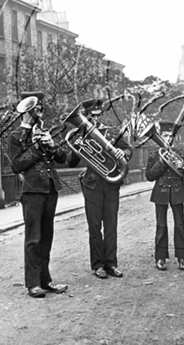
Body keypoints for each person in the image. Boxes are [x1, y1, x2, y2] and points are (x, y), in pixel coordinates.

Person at [9, 91, 68, 298]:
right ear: (27, 113)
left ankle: (46, 280)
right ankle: (33, 283)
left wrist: (51, 145)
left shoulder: (45, 132)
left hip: (50, 188)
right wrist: (35, 146)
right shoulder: (16, 136)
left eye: (41, 110)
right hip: (33, 191)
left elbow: (63, 159)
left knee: (47, 237)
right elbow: (16, 165)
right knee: (33, 238)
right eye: (37, 110)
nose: (41, 114)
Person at [67, 99, 132, 279]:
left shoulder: (112, 133)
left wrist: (122, 153)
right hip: (92, 184)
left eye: (98, 115)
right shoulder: (80, 135)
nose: (95, 119)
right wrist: (78, 145)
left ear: (102, 114)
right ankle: (98, 265)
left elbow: (128, 151)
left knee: (111, 225)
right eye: (91, 116)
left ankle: (111, 263)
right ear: (86, 116)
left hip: (111, 184)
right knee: (95, 227)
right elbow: (70, 162)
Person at [145, 121, 184, 271]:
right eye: (165, 135)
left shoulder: (180, 153)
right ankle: (160, 257)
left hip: (177, 191)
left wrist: (183, 166)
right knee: (161, 226)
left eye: (171, 136)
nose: (168, 138)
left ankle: (182, 257)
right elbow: (149, 175)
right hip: (160, 191)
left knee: (179, 225)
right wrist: (162, 161)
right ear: (160, 136)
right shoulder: (155, 154)